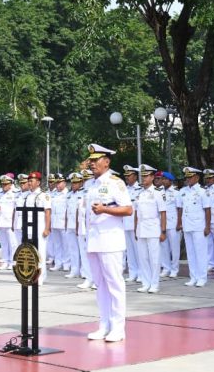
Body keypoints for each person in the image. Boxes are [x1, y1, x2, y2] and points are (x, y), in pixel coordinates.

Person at [84, 144, 133, 342]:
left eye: (96, 160)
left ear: (107, 161)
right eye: (91, 160)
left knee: (114, 284)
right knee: (100, 284)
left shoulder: (115, 183)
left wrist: (105, 210)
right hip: (94, 239)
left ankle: (118, 327)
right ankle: (104, 324)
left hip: (111, 239)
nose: (92, 163)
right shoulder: (91, 184)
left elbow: (128, 209)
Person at [133, 164, 166, 293]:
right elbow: (137, 213)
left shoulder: (158, 193)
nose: (144, 178)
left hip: (153, 228)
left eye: (146, 176)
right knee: (143, 257)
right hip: (141, 228)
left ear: (152, 177)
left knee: (154, 257)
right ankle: (145, 282)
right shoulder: (139, 193)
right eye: (142, 176)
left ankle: (154, 283)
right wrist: (136, 229)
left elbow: (163, 212)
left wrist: (163, 231)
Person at [177, 167, 211, 287]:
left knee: (200, 252)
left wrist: (207, 226)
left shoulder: (203, 191)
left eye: (190, 177)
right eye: (187, 177)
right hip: (187, 225)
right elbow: (180, 208)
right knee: (190, 253)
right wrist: (179, 222)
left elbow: (207, 210)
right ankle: (193, 277)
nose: (188, 179)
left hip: (199, 226)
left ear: (197, 177)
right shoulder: (182, 191)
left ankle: (202, 277)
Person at [24, 171, 52, 285]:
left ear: (38, 182)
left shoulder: (44, 195)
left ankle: (41, 277)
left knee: (40, 253)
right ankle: (32, 275)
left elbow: (48, 212)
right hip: (29, 228)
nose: (29, 183)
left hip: (40, 228)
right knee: (30, 254)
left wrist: (47, 228)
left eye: (32, 181)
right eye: (29, 181)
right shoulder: (28, 195)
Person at [158, 171, 181, 278]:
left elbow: (179, 208)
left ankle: (174, 269)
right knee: (164, 247)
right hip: (162, 223)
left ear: (170, 181)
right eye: (162, 179)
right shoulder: (159, 192)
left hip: (173, 223)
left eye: (165, 179)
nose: (163, 181)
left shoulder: (176, 192)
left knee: (174, 248)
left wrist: (179, 223)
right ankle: (166, 268)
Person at [121, 165, 142, 282]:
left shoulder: (140, 189)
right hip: (125, 223)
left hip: (136, 224)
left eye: (129, 176)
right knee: (129, 250)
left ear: (135, 176)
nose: (127, 178)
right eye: (126, 176)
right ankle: (133, 272)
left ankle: (141, 273)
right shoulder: (124, 190)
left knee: (138, 250)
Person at [64, 173, 84, 280]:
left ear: (81, 182)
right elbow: (67, 210)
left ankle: (84, 271)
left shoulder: (84, 193)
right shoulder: (69, 194)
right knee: (72, 249)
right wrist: (66, 224)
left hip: (80, 226)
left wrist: (77, 225)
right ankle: (74, 270)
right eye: (73, 182)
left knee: (82, 250)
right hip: (70, 225)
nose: (74, 184)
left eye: (76, 182)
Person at [0, 174, 17, 271]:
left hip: (10, 223)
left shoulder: (15, 193)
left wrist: (14, 223)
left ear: (11, 184)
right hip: (1, 222)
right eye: (3, 184)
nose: (4, 186)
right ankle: (5, 261)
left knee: (12, 243)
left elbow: (15, 210)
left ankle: (13, 262)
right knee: (3, 243)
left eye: (6, 184)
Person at [49, 174, 69, 272]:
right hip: (54, 222)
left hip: (63, 223)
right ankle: (58, 263)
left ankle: (66, 264)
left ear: (64, 183)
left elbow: (68, 210)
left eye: (60, 182)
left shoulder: (67, 194)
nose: (58, 185)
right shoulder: (53, 194)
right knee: (56, 244)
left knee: (66, 244)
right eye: (56, 183)